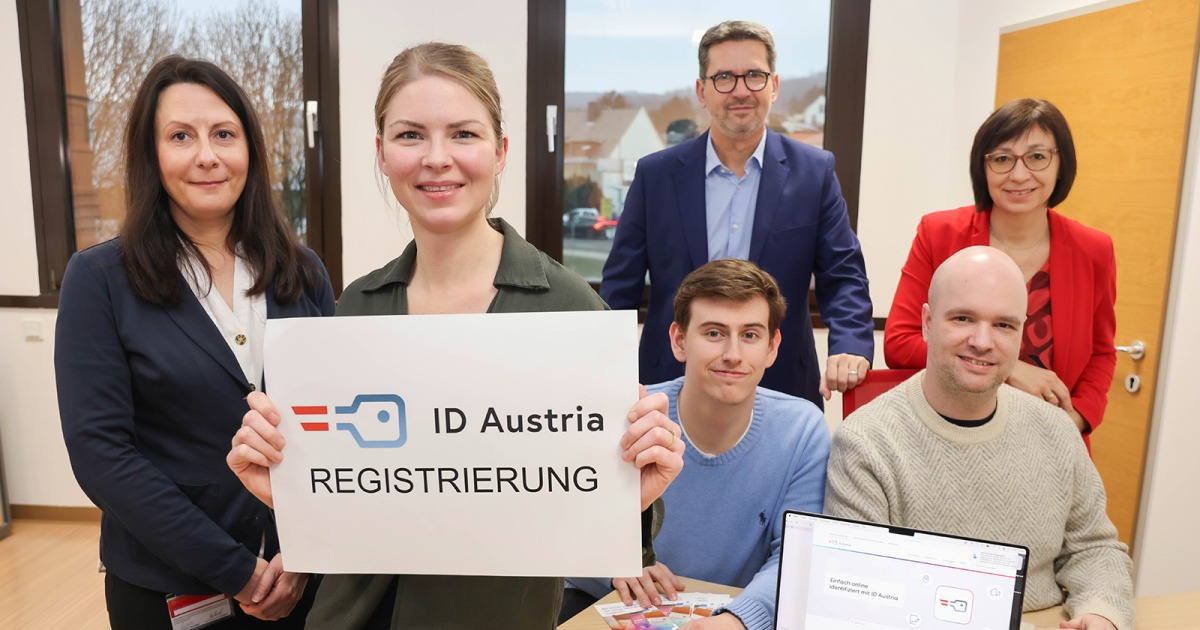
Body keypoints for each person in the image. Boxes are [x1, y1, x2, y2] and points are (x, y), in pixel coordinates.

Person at [225, 42, 685, 630]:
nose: (436, 158)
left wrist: (632, 492)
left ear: (500, 151)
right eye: (410, 135)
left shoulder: (571, 314)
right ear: (382, 153)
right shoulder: (356, 309)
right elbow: (357, 503)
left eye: (463, 134)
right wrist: (286, 489)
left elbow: (602, 528)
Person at [54, 56, 335, 629]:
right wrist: (237, 571)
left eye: (224, 134)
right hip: (169, 586)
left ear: (249, 149)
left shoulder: (303, 271)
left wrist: (303, 554)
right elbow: (102, 454)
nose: (207, 155)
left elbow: (331, 425)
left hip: (301, 577)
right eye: (181, 136)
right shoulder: (101, 280)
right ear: (151, 155)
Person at [827, 247, 1134, 630]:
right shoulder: (866, 442)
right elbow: (863, 591)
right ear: (927, 323)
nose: (983, 341)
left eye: (1004, 325)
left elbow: (1094, 547)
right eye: (963, 318)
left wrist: (1102, 613)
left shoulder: (1056, 430)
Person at [600, 20, 874, 409]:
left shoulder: (815, 173)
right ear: (702, 91)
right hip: (668, 384)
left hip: (780, 384)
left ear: (774, 86)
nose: (741, 90)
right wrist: (605, 369)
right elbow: (620, 286)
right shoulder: (656, 175)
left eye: (754, 76)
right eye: (724, 77)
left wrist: (850, 344)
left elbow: (843, 274)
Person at [565, 259, 829, 630]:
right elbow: (559, 533)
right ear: (679, 340)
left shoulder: (803, 431)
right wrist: (609, 567)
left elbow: (795, 557)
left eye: (750, 335)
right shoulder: (628, 415)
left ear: (772, 347)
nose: (733, 354)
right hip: (615, 608)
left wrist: (738, 620)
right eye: (714, 333)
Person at [884, 98, 1116, 450]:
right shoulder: (940, 233)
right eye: (1002, 159)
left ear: (1061, 163)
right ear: (984, 167)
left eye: (1037, 157)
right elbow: (900, 343)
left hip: (1048, 439)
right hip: (949, 432)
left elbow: (1101, 353)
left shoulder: (1094, 249)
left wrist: (1078, 419)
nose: (1019, 175)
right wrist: (1011, 370)